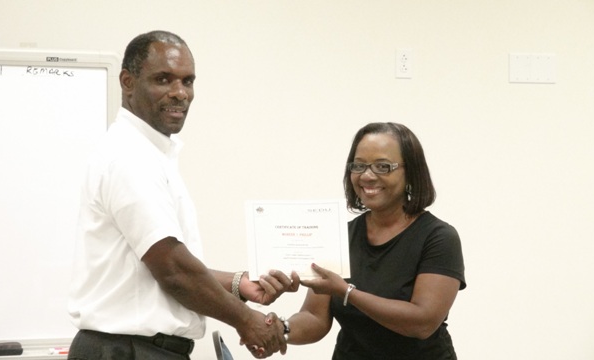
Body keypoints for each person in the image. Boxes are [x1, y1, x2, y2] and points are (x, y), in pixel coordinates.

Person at [67, 30, 298, 360]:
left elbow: (153, 265)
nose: (180, 93)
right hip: (128, 352)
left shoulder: (149, 154)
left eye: (187, 81)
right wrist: (247, 321)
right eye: (163, 79)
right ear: (128, 82)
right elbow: (173, 269)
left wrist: (238, 283)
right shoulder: (130, 158)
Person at [256, 122, 466, 359]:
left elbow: (422, 322)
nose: (367, 176)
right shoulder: (338, 235)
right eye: (359, 165)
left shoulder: (439, 238)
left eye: (382, 166)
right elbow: (315, 317)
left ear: (411, 172)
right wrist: (281, 329)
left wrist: (346, 292)